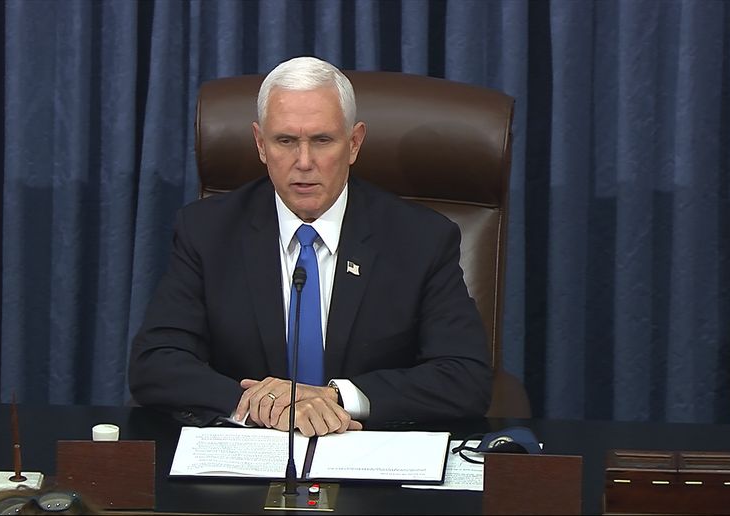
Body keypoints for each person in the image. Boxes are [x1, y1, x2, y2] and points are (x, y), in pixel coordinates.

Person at [128, 56, 492, 437]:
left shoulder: (420, 239)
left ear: (353, 144)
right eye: (285, 141)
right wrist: (259, 404)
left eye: (322, 141)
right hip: (247, 452)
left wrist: (337, 397)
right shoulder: (207, 231)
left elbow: (464, 376)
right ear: (260, 144)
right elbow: (156, 362)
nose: (304, 162)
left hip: (365, 454)